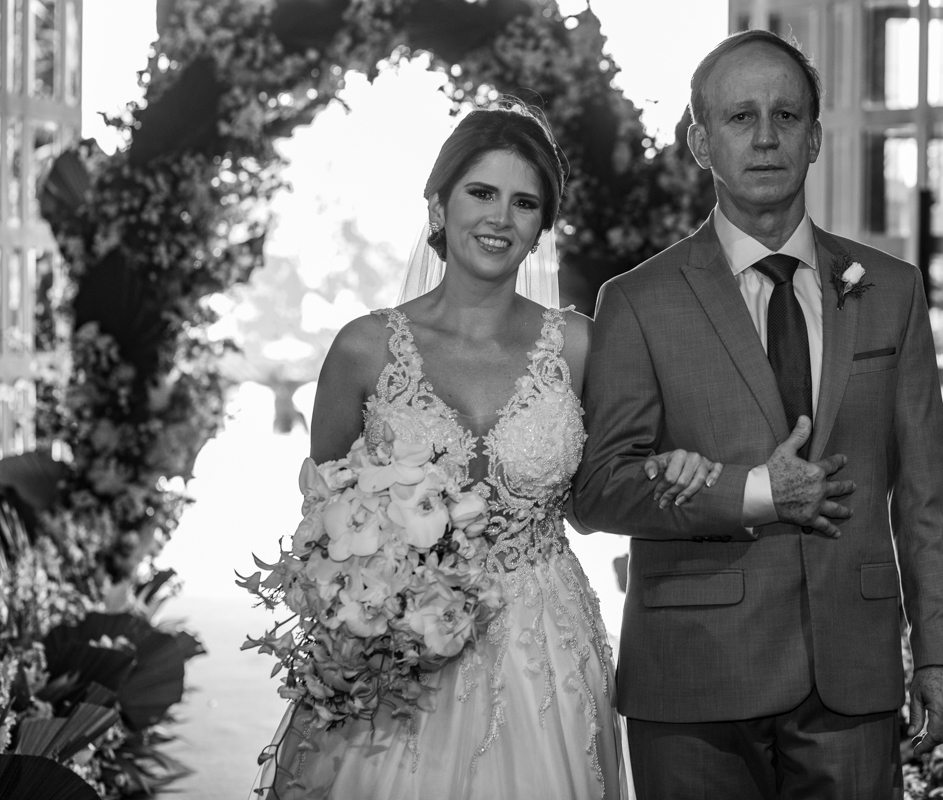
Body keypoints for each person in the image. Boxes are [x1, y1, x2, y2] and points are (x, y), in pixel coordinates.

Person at [252, 104, 715, 799]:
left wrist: (668, 467)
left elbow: (602, 493)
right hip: (395, 650)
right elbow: (325, 521)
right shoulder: (362, 350)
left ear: (541, 226)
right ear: (439, 206)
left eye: (524, 202)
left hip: (544, 647)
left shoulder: (582, 347)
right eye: (481, 192)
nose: (500, 217)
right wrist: (367, 608)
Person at [573, 30, 943, 799]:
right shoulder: (637, 302)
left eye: (786, 116)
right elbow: (596, 492)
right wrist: (753, 492)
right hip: (695, 674)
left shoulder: (890, 290)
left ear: (814, 139)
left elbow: (927, 493)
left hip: (851, 674)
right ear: (701, 142)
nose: (765, 137)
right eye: (740, 117)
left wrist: (942, 649)